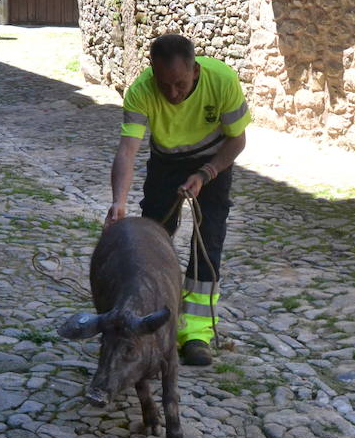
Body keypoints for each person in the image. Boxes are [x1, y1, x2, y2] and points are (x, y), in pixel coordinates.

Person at [106, 34, 249, 367]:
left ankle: (195, 334)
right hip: (165, 163)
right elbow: (128, 151)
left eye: (180, 84)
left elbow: (237, 141)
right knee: (151, 242)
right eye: (163, 84)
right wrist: (119, 202)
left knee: (208, 243)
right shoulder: (140, 91)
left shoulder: (223, 81)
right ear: (151, 72)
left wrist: (206, 173)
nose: (172, 93)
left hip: (213, 160)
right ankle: (149, 319)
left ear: (195, 71)